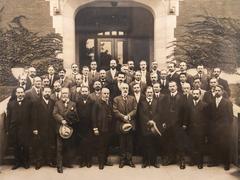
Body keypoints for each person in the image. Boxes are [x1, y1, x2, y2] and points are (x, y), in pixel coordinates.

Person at [207, 85, 233, 170]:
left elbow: (230, 117)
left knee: (225, 145)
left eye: (219, 90)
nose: (217, 92)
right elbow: (209, 116)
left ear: (222, 91)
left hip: (224, 129)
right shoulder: (211, 102)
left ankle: (226, 163)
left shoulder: (227, 102)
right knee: (214, 145)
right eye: (215, 90)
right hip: (214, 128)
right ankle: (214, 161)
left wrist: (227, 128)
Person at [161, 81, 186, 169]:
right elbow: (163, 111)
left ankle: (182, 160)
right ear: (168, 88)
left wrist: (184, 123)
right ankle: (170, 159)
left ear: (177, 87)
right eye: (170, 86)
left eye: (173, 86)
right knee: (169, 142)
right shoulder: (166, 97)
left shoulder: (182, 97)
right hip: (168, 124)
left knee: (180, 143)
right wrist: (164, 121)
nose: (172, 88)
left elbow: (185, 111)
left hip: (178, 124)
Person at [53, 88, 78, 173]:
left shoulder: (73, 104)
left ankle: (67, 162)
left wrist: (69, 120)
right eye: (63, 93)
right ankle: (59, 166)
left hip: (69, 129)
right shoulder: (57, 103)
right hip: (59, 128)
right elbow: (55, 113)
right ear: (61, 94)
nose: (64, 95)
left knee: (68, 147)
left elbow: (76, 116)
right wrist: (61, 120)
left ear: (69, 94)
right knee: (59, 148)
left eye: (66, 93)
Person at [6, 87, 32, 170]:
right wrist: (7, 129)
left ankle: (26, 162)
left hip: (25, 129)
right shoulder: (11, 104)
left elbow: (32, 117)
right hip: (14, 129)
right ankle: (17, 163)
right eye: (19, 92)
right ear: (16, 94)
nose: (20, 94)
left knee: (25, 146)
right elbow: (8, 117)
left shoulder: (29, 103)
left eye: (22, 92)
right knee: (16, 146)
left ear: (24, 93)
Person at [113, 83, 137, 168]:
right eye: (123, 88)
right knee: (122, 143)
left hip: (130, 123)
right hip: (120, 124)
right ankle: (122, 160)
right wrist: (123, 117)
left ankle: (129, 160)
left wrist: (128, 116)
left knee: (130, 143)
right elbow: (115, 111)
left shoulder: (132, 98)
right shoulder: (116, 99)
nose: (125, 89)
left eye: (126, 88)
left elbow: (135, 109)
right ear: (120, 89)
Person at [32, 87, 56, 169]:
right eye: (46, 91)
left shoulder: (53, 102)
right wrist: (35, 128)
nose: (47, 93)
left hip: (50, 128)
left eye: (49, 92)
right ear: (42, 92)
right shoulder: (36, 102)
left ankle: (49, 161)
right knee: (39, 145)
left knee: (49, 145)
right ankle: (39, 161)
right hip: (40, 128)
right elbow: (34, 116)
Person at [184, 89, 208, 169]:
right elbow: (186, 117)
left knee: (200, 146)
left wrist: (204, 129)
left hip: (200, 129)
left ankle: (200, 162)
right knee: (191, 145)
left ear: (200, 95)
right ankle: (192, 161)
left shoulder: (205, 105)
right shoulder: (189, 104)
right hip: (191, 129)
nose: (195, 95)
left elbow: (207, 119)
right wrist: (186, 125)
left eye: (197, 94)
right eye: (194, 93)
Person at [138, 86, 161, 168]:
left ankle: (153, 162)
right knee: (145, 144)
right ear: (145, 93)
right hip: (145, 127)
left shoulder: (156, 102)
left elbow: (158, 113)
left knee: (154, 144)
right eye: (148, 92)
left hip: (154, 127)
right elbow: (141, 115)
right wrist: (148, 121)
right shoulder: (141, 102)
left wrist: (153, 121)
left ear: (153, 93)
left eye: (151, 92)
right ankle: (145, 161)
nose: (150, 94)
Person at [92, 88, 113, 169]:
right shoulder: (97, 103)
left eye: (108, 93)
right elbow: (93, 116)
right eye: (105, 93)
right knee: (101, 146)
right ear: (101, 94)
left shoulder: (109, 103)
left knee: (107, 145)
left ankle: (105, 161)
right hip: (100, 128)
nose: (106, 95)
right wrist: (95, 128)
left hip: (108, 128)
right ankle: (101, 163)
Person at [76, 86, 94, 168]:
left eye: (86, 91)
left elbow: (94, 115)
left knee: (89, 144)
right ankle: (82, 161)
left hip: (89, 126)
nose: (84, 93)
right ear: (80, 93)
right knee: (81, 144)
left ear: (88, 92)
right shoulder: (77, 102)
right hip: (80, 126)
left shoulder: (92, 102)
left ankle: (88, 161)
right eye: (83, 91)